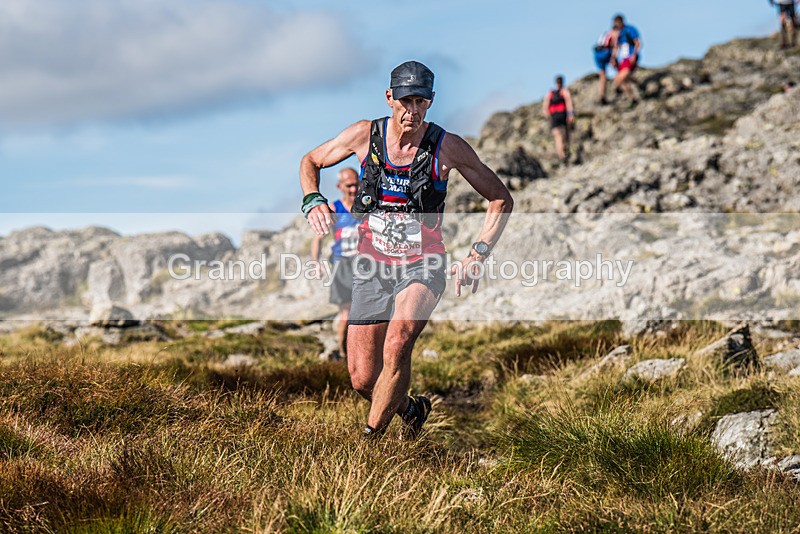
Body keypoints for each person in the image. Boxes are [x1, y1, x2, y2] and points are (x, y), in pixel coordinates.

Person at [300, 61, 514, 439]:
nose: (412, 110)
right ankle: (412, 409)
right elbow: (311, 160)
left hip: (423, 266)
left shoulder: (447, 147)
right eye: (405, 101)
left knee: (398, 344)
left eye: (421, 101)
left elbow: (500, 198)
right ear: (390, 98)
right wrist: (312, 199)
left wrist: (477, 255)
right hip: (371, 268)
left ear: (430, 102)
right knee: (363, 378)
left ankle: (369, 446)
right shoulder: (364, 135)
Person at [310, 167, 360, 359]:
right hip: (342, 266)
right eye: (349, 186)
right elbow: (318, 238)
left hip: (365, 266)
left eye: (356, 184)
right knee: (346, 314)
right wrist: (316, 263)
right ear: (340, 187)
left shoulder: (366, 207)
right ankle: (343, 352)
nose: (354, 189)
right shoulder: (335, 209)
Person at [542, 75, 575, 165]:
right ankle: (563, 155)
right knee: (562, 137)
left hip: (555, 117)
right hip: (561, 116)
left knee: (559, 137)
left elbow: (545, 106)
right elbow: (569, 103)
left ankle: (562, 155)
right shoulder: (564, 92)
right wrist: (570, 114)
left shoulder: (551, 93)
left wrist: (548, 116)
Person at [610, 14, 642, 107]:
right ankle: (638, 86)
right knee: (619, 80)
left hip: (630, 57)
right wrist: (613, 58)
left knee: (621, 79)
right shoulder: (618, 34)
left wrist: (634, 55)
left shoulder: (630, 30)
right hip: (623, 59)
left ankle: (632, 98)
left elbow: (638, 43)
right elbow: (616, 47)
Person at [594, 29, 618, 105]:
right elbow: (615, 46)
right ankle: (618, 85)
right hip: (606, 51)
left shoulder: (605, 33)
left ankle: (602, 95)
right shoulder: (614, 34)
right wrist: (613, 57)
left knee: (602, 75)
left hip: (597, 52)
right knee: (619, 69)